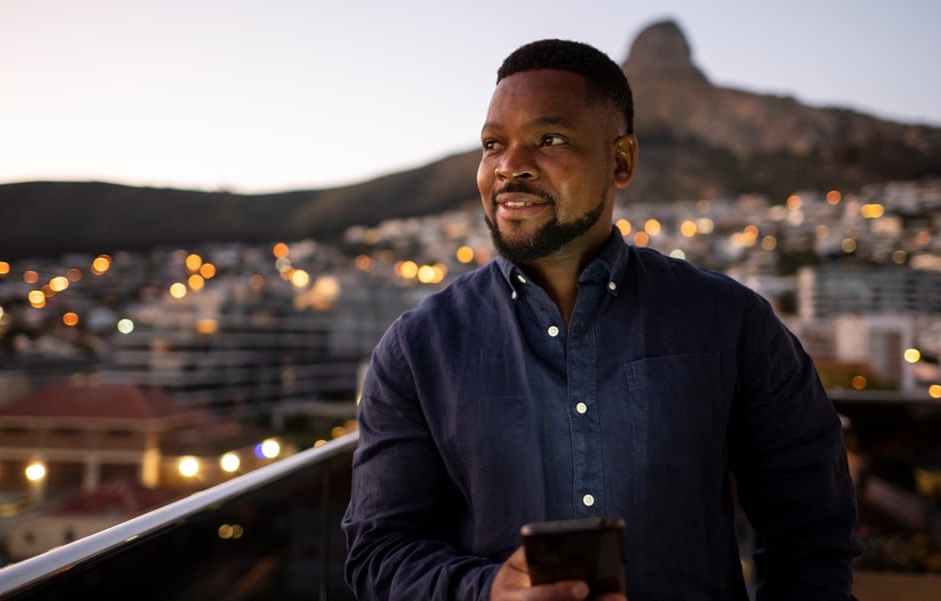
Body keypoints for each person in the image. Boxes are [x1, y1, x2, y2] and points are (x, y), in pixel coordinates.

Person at [342, 38, 862, 600]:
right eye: (493, 145)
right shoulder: (415, 350)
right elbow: (379, 553)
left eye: (550, 140)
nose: (510, 166)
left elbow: (813, 536)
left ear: (621, 161)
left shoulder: (732, 323)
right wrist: (488, 592)